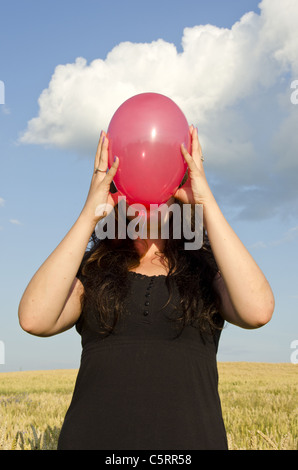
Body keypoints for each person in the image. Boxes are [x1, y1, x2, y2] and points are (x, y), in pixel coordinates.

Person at [18, 126, 275, 450]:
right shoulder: (93, 270)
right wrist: (89, 213)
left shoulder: (206, 268)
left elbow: (258, 311)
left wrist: (205, 201)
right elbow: (34, 319)